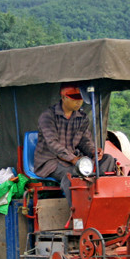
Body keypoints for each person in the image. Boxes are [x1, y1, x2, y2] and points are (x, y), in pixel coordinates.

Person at [33, 83, 118, 211]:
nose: (78, 102)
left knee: (109, 160)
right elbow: (53, 144)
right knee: (72, 176)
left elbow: (85, 141)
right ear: (63, 97)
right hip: (50, 161)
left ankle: (104, 205)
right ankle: (79, 214)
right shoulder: (48, 116)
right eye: (74, 97)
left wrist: (93, 151)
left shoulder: (82, 118)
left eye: (80, 98)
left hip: (76, 162)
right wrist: (73, 159)